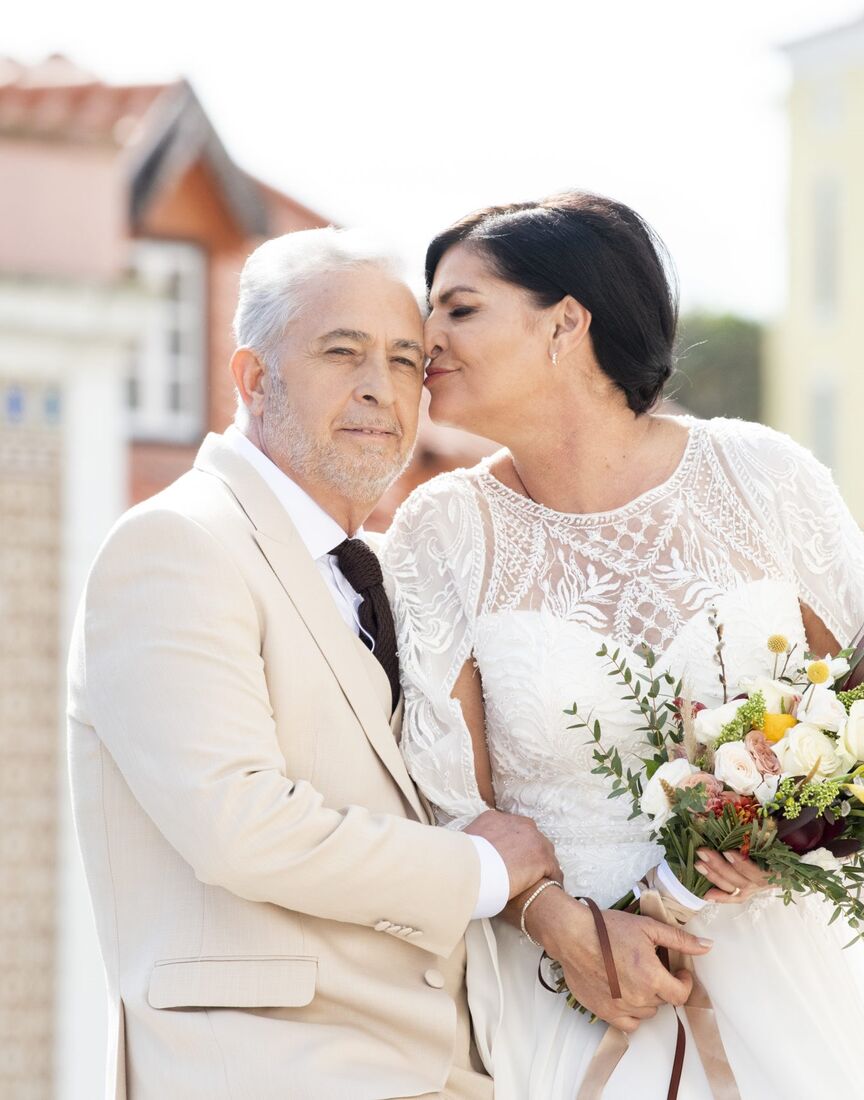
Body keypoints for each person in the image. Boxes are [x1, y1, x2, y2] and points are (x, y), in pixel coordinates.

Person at [383, 193, 864, 1098]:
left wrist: (798, 820)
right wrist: (564, 927)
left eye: (460, 307)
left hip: (781, 978)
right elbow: (446, 800)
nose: (426, 336)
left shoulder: (763, 477)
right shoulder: (441, 530)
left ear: (567, 322)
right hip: (573, 997)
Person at [66, 228, 567, 1099]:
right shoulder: (175, 545)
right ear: (254, 379)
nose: (380, 386)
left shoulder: (385, 568)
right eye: (344, 352)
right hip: (263, 1073)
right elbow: (240, 824)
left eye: (406, 359)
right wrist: (483, 872)